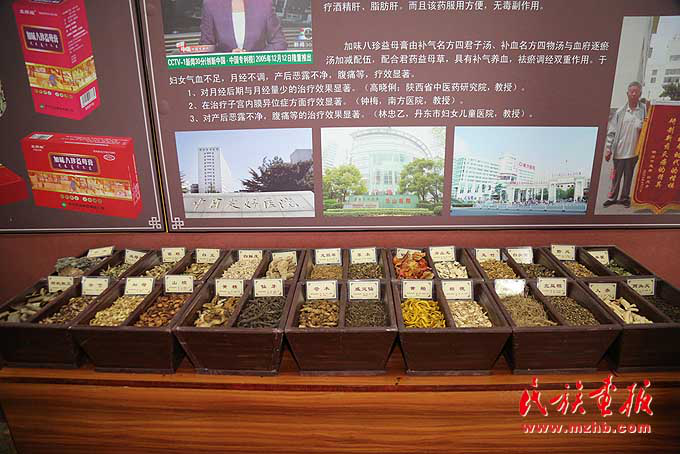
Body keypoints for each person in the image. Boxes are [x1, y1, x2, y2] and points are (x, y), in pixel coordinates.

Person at [602, 81, 647, 208]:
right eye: (631, 92)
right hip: (619, 151)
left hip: (633, 152)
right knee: (615, 177)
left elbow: (648, 126)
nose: (633, 94)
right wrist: (608, 149)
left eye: (636, 92)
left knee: (629, 176)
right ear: (627, 94)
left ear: (640, 94)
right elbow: (611, 131)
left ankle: (624, 197)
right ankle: (612, 197)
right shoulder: (620, 111)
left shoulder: (643, 110)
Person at [199, 0, 287, 53]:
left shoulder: (264, 3)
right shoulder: (211, 4)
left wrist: (253, 58)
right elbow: (205, 48)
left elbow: (279, 43)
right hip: (224, 73)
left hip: (258, 71)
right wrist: (227, 58)